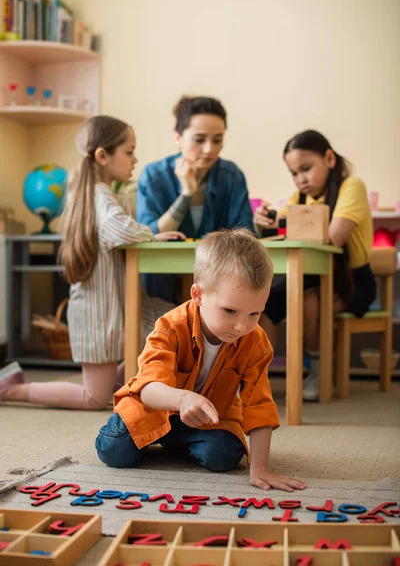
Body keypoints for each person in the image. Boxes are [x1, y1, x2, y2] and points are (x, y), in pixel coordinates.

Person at [96, 229, 307, 492]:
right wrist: (183, 399)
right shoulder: (169, 327)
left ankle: (181, 441)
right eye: (230, 311)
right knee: (114, 450)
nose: (242, 326)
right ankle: (166, 438)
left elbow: (259, 405)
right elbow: (149, 389)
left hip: (210, 418)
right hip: (153, 410)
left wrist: (260, 468)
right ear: (198, 295)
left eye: (255, 313)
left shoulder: (256, 342)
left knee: (224, 456)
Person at [0, 115, 184, 409]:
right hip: (98, 313)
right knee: (94, 397)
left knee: (169, 328)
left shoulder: (94, 194)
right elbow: (118, 228)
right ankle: (9, 390)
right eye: (129, 151)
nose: (134, 159)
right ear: (102, 156)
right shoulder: (99, 196)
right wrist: (152, 233)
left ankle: (126, 380)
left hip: (112, 306)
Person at [254, 130, 376, 401]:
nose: (301, 179)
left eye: (306, 169)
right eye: (294, 173)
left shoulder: (351, 186)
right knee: (258, 305)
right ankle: (254, 374)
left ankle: (319, 370)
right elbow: (279, 231)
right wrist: (267, 221)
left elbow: (333, 237)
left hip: (352, 279)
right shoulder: (299, 199)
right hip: (306, 276)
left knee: (309, 303)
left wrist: (286, 225)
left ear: (329, 159)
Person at [136, 95, 254, 302]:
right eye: (199, 140)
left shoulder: (232, 176)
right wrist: (186, 194)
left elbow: (245, 235)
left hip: (218, 285)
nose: (209, 149)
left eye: (217, 140)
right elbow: (148, 237)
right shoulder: (154, 176)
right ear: (178, 138)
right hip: (162, 283)